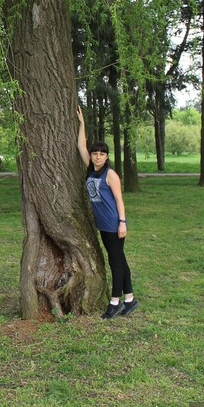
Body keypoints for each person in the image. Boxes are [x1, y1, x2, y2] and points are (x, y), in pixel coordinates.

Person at [77, 106, 139, 319]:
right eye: (95, 153)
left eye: (102, 154)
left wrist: (122, 223)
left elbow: (120, 200)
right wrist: (82, 124)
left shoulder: (110, 174)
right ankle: (130, 299)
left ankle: (115, 302)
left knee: (115, 261)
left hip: (114, 223)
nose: (97, 157)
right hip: (103, 224)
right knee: (120, 259)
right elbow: (80, 146)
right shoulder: (91, 169)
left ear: (107, 156)